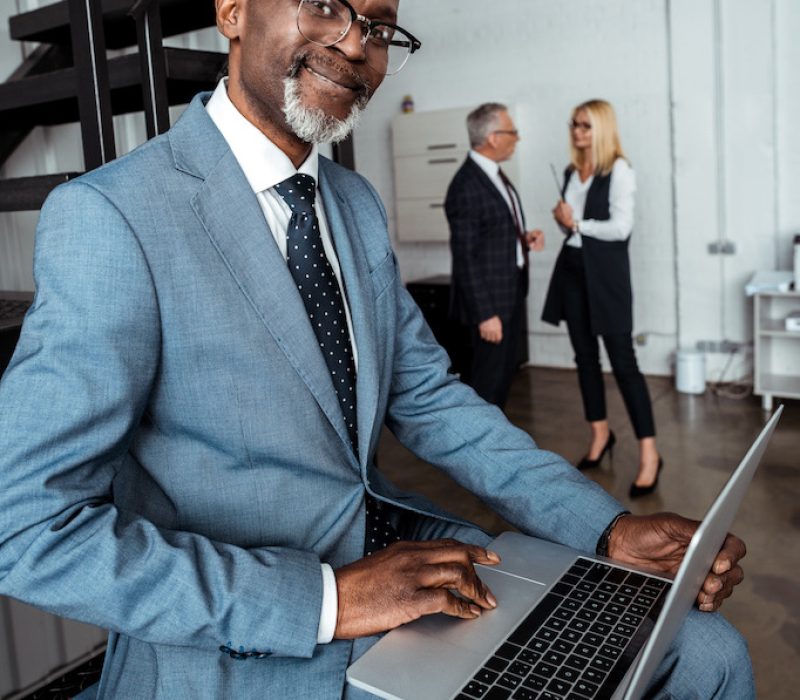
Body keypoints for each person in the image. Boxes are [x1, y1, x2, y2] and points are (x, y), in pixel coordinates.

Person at [0, 2, 751, 698]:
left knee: (711, 652)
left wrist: (604, 526)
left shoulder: (352, 204)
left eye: (382, 26)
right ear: (232, 9)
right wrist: (328, 600)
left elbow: (432, 401)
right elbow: (26, 527)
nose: (357, 42)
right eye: (325, 3)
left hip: (406, 550)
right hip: (261, 631)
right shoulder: (111, 217)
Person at [542, 99, 664, 499]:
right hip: (574, 271)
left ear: (602, 129)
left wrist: (575, 222)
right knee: (585, 359)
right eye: (574, 124)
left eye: (586, 125)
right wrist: (566, 223)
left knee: (624, 362)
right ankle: (600, 435)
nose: (577, 132)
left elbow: (620, 228)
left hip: (607, 277)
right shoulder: (571, 172)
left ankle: (649, 453)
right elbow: (575, 234)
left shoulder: (620, 171)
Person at [445, 103, 544, 409]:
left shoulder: (494, 175)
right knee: (486, 388)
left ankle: (494, 447)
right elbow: (465, 257)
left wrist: (522, 240)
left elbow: (491, 233)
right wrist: (486, 314)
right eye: (512, 131)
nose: (517, 137)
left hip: (509, 294)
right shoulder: (466, 185)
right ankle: (479, 452)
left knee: (501, 382)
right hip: (490, 307)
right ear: (493, 137)